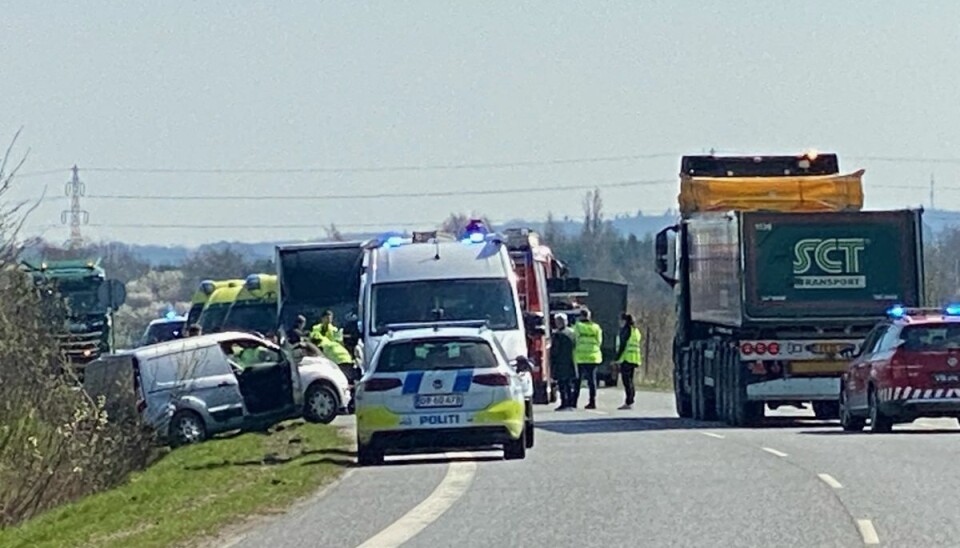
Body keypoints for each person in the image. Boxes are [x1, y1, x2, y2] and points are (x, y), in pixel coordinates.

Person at [573, 308, 603, 409]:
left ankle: (574, 402)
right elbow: (599, 341)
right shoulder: (596, 327)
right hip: (593, 357)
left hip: (581, 357)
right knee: (592, 381)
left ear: (581, 316)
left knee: (577, 381)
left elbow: (575, 340)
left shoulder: (578, 326)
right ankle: (592, 402)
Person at [614, 313, 643, 410]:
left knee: (627, 382)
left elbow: (622, 346)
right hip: (634, 359)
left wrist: (616, 359)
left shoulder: (625, 331)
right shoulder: (636, 331)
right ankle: (631, 400)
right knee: (630, 381)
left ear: (624, 321)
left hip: (626, 358)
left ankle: (629, 401)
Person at [550, 313, 578, 411]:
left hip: (561, 362)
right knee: (569, 384)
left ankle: (564, 403)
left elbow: (555, 350)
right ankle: (570, 403)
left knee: (562, 384)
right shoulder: (572, 333)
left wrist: (552, 360)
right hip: (571, 361)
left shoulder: (558, 335)